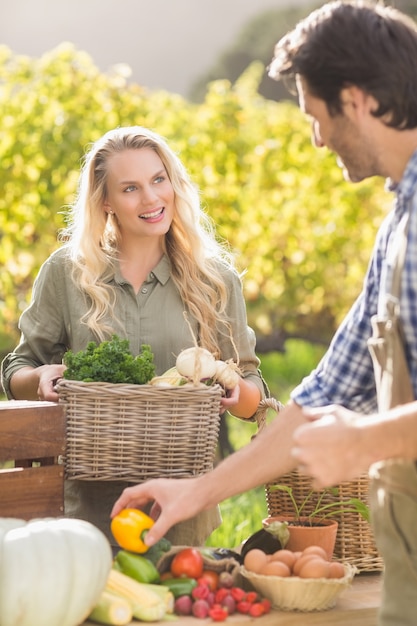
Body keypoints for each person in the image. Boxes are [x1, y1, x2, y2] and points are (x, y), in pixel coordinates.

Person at [110, 3, 417, 624]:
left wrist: (366, 440)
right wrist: (193, 494)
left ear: (355, 100)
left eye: (315, 116)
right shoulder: (399, 227)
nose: (316, 138)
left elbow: (359, 424)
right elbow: (325, 391)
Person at [1, 125, 268, 548]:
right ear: (105, 201)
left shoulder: (215, 280)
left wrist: (239, 394)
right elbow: (18, 369)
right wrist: (39, 378)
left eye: (158, 180)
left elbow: (253, 387)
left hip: (182, 507)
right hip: (86, 509)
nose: (151, 198)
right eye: (130, 188)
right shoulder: (66, 273)